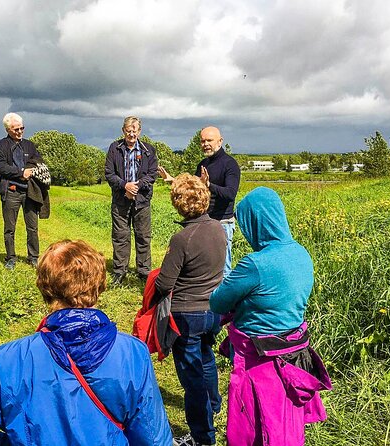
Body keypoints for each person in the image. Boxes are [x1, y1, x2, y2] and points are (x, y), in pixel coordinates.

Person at [0, 239, 172, 445]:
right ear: (100, 285)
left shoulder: (12, 358)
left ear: (44, 288)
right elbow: (154, 438)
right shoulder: (132, 353)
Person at [209, 187, 331, 446]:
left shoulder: (255, 264)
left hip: (258, 361)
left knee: (255, 426)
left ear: (256, 223)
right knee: (285, 423)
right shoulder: (301, 254)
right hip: (294, 355)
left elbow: (218, 301)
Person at [155, 174, 226, 446]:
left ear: (178, 203)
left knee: (191, 377)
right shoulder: (218, 228)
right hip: (213, 309)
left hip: (187, 314)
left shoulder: (182, 238)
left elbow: (165, 283)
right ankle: (214, 404)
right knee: (206, 358)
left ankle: (201, 437)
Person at [158, 126, 240, 276]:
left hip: (222, 222)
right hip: (202, 221)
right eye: (202, 141)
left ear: (220, 141)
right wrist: (173, 180)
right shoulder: (204, 164)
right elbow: (193, 187)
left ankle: (225, 299)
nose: (205, 144)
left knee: (223, 267)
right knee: (202, 263)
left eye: (209, 140)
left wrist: (209, 185)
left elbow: (230, 194)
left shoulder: (230, 164)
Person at [104, 116, 158, 284]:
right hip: (121, 200)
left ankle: (143, 271)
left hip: (142, 200)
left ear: (139, 131)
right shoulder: (115, 148)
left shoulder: (149, 150)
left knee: (143, 236)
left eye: (134, 131)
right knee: (120, 236)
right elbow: (109, 173)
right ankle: (120, 271)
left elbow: (152, 174)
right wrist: (124, 186)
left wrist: (137, 187)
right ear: (123, 131)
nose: (131, 134)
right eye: (128, 130)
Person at [0, 112, 45, 270]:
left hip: (30, 192)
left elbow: (37, 161)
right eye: (16, 129)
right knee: (10, 228)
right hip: (11, 191)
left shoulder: (29, 145)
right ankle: (11, 258)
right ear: (8, 129)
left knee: (32, 227)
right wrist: (21, 172)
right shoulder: (0, 146)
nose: (20, 131)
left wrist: (30, 170)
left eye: (22, 128)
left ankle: (34, 257)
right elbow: (2, 168)